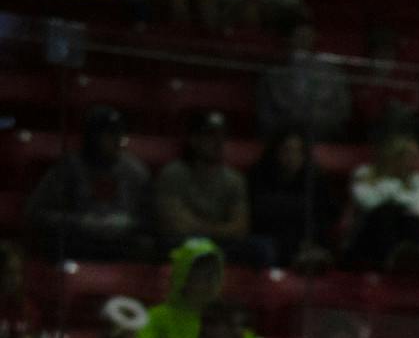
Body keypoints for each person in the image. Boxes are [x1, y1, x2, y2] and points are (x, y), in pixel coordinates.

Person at [25, 105, 152, 261]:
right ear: (92, 137)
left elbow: (149, 216)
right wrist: (80, 222)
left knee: (146, 245)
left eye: (119, 134)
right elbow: (37, 213)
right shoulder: (68, 169)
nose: (117, 141)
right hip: (78, 244)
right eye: (109, 135)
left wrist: (129, 222)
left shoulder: (134, 171)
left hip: (122, 244)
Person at [154, 111, 267, 267]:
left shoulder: (234, 179)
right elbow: (174, 224)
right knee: (166, 244)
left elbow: (240, 228)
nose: (218, 142)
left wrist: (200, 228)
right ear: (194, 140)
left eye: (222, 136)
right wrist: (220, 230)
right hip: (185, 243)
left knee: (260, 248)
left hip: (221, 245)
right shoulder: (173, 174)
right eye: (210, 136)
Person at [247, 128, 337, 271]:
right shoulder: (258, 176)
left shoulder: (316, 181)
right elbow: (255, 216)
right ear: (275, 152)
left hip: (304, 245)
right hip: (268, 244)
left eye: (298, 151)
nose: (292, 157)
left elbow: (323, 219)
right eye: (286, 150)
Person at [343, 133, 419, 272]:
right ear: (393, 156)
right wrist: (399, 193)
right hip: (369, 232)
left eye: (416, 156)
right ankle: (390, 258)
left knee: (409, 218)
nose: (414, 161)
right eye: (409, 156)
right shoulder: (364, 172)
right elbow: (368, 202)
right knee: (385, 213)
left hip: (403, 229)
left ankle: (409, 256)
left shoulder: (416, 178)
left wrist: (387, 194)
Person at [255, 21, 351, 143]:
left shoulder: (333, 72)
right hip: (281, 136)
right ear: (289, 38)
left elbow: (342, 109)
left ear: (315, 38)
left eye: (307, 36)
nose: (303, 40)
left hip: (323, 134)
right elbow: (265, 111)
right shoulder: (273, 73)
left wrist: (320, 121)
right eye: (299, 36)